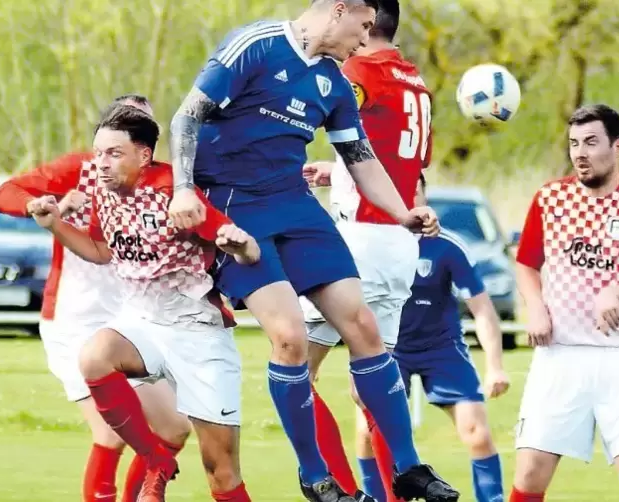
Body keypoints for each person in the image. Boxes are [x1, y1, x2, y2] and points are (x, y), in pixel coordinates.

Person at [166, 1, 459, 500]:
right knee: (289, 337)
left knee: (363, 326)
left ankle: (408, 467)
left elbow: (361, 159)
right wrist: (184, 189)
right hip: (237, 208)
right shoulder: (255, 45)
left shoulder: (335, 82)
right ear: (339, 10)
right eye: (363, 27)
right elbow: (185, 118)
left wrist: (404, 212)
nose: (365, 40)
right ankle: (314, 474)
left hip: (297, 208)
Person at [28, 105, 260, 502]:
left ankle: (163, 464)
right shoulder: (106, 191)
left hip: (196, 332)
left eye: (113, 153)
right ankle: (155, 460)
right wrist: (54, 224)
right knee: (95, 356)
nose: (100, 163)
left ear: (144, 156)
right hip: (141, 321)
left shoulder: (174, 191)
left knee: (221, 472)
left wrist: (238, 246)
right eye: (98, 153)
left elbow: (249, 250)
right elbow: (101, 251)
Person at [0, 94, 192, 502]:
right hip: (74, 321)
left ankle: (144, 488)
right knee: (110, 434)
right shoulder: (79, 171)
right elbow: (5, 193)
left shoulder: (165, 183)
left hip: (132, 322)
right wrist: (38, 203)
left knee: (173, 429)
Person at [510, 104, 619, 502]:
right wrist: (535, 306)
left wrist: (618, 291)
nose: (580, 153)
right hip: (560, 354)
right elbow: (526, 265)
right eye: (573, 144)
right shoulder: (550, 198)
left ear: (617, 146)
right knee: (530, 473)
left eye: (591, 142)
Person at [296, 1, 434, 498]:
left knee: (295, 372)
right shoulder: (416, 83)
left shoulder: (357, 70)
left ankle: (340, 490)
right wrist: (337, 174)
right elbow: (402, 165)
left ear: (366, 20)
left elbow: (309, 114)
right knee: (372, 388)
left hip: (359, 243)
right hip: (400, 244)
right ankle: (398, 491)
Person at [354, 174, 509, 502]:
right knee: (367, 431)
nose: (407, 197)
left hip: (442, 349)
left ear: (425, 195)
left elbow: (482, 310)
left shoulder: (447, 246)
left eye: (413, 189)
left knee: (477, 433)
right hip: (388, 349)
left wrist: (495, 366)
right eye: (398, 190)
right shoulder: (371, 245)